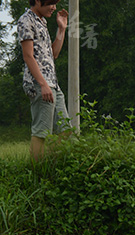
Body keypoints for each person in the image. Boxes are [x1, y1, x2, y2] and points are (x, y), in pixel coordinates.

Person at [17, 0, 69, 160]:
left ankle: (55, 168)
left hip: (53, 83)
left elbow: (53, 54)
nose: (53, 7)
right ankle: (37, 175)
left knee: (65, 130)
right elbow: (28, 56)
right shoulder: (26, 20)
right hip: (40, 83)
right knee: (42, 131)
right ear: (38, 1)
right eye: (50, 3)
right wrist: (43, 84)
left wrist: (61, 29)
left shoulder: (42, 21)